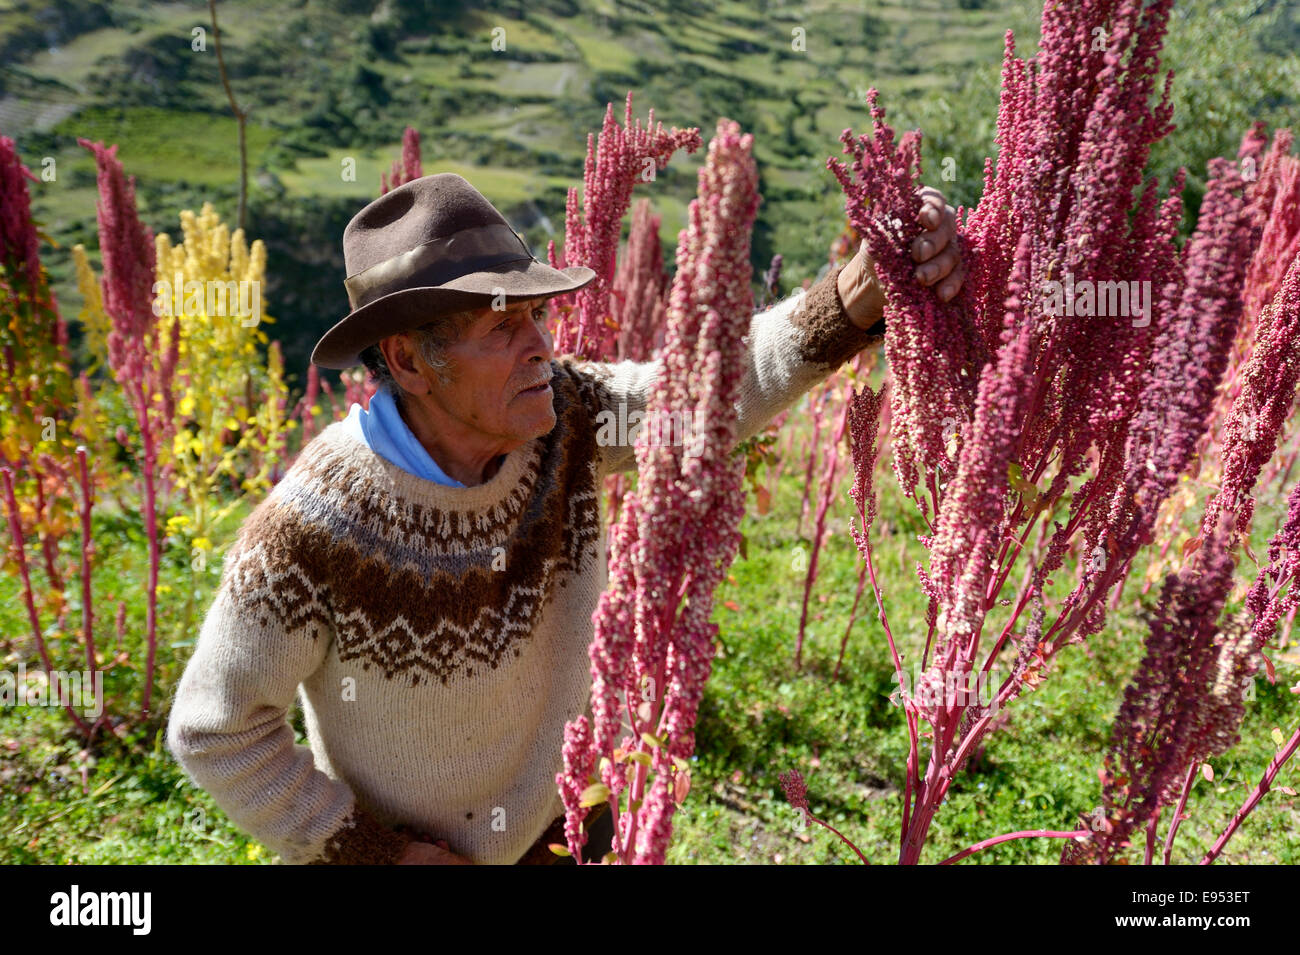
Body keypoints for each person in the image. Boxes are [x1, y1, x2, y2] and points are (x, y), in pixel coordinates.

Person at [166, 172, 964, 865]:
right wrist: (374, 853)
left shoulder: (565, 420)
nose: (540, 346)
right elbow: (216, 729)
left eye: (536, 319)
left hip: (571, 822)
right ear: (408, 360)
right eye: (502, 326)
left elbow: (703, 397)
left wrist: (853, 300)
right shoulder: (318, 524)